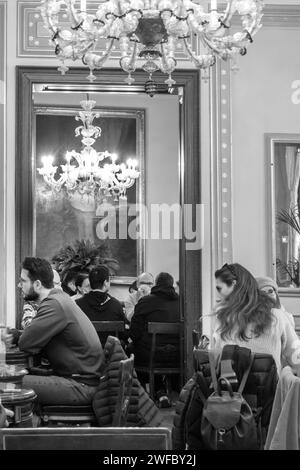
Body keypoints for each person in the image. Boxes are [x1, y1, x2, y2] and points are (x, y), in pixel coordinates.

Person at [15, 257, 104, 406]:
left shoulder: (53, 305)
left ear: (37, 284)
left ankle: (18, 428)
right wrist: (14, 334)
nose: (19, 285)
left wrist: (16, 336)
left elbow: (26, 344)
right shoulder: (61, 298)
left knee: (9, 384)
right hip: (84, 380)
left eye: (23, 281)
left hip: (80, 386)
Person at [212, 263, 300, 373]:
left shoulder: (223, 320)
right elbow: (296, 357)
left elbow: (215, 360)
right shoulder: (277, 316)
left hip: (229, 388)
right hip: (270, 388)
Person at [129, 272, 180, 407]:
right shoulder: (181, 303)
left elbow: (134, 333)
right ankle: (164, 391)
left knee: (135, 350)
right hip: (178, 356)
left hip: (150, 356)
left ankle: (143, 396)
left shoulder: (145, 301)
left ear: (156, 285)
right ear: (172, 285)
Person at [76, 265, 125, 345]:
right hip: (110, 354)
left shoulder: (78, 304)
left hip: (86, 353)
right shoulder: (116, 305)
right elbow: (123, 334)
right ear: (106, 283)